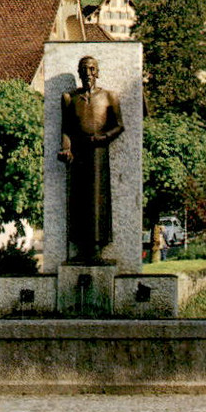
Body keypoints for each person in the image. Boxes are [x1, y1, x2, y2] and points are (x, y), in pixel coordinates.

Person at [58, 56, 124, 262]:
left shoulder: (109, 96)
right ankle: (81, 246)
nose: (88, 73)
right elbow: (66, 128)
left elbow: (119, 125)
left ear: (98, 72)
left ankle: (96, 247)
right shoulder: (69, 98)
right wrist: (66, 149)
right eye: (84, 69)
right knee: (78, 198)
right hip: (78, 152)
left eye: (92, 69)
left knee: (97, 198)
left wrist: (103, 138)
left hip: (98, 151)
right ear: (79, 73)